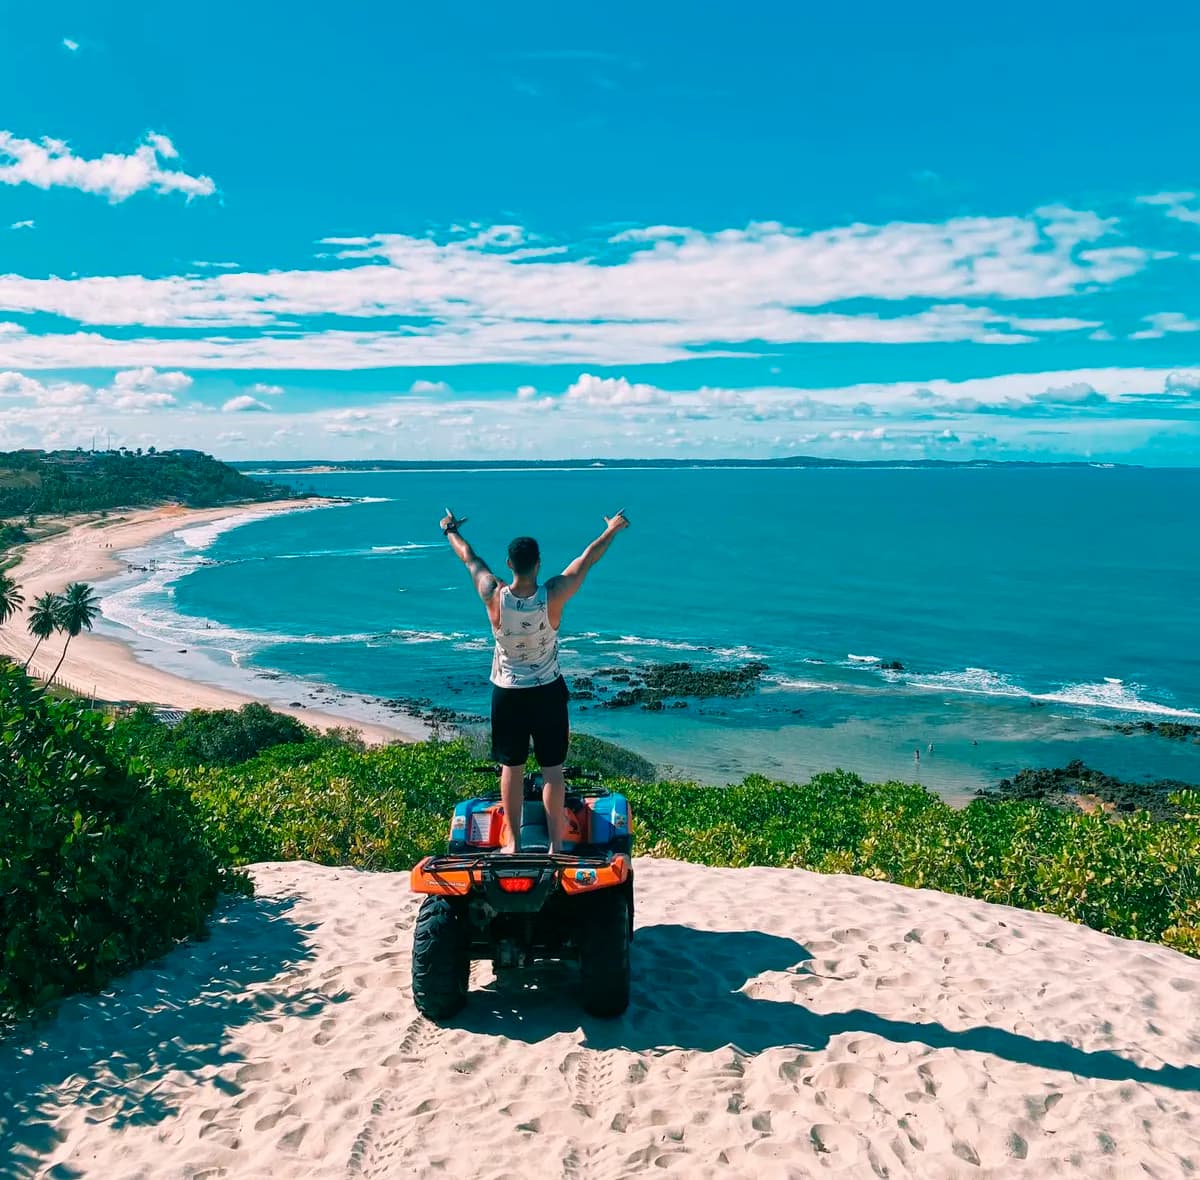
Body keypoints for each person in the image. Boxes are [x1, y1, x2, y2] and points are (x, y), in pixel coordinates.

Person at [440, 506, 630, 853]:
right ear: (538, 563)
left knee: (511, 768)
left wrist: (450, 530)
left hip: (508, 692)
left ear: (510, 564)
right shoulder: (553, 594)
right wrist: (611, 530)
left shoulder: (492, 593)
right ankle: (555, 843)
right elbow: (587, 559)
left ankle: (512, 841)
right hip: (547, 692)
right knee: (552, 770)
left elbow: (469, 558)